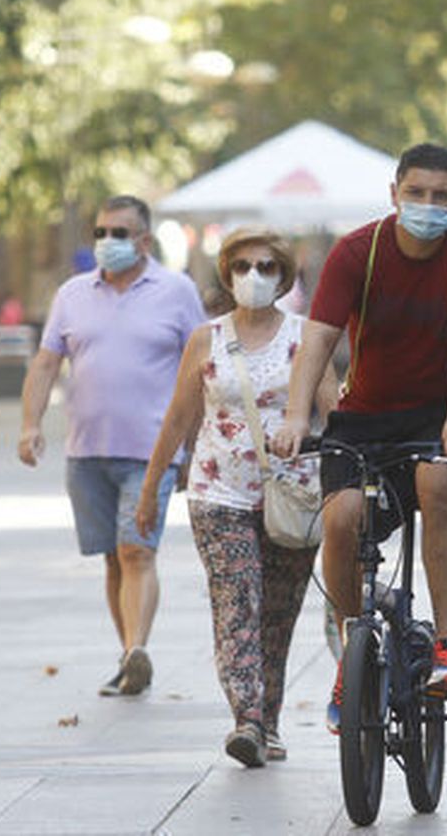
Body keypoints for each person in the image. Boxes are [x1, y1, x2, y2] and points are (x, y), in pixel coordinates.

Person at [269, 143, 447, 733]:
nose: (427, 205)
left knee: (438, 481)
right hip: (365, 413)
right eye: (416, 193)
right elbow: (318, 340)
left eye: (441, 196)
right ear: (394, 193)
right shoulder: (357, 252)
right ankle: (352, 653)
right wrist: (298, 416)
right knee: (343, 517)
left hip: (439, 411)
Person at [134, 228, 338, 767]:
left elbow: (334, 414)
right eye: (244, 266)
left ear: (284, 276)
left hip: (292, 494)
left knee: (278, 613)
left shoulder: (306, 336)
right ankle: (246, 718)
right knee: (236, 604)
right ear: (227, 275)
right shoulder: (206, 338)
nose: (255, 276)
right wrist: (152, 486)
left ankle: (267, 722)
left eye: (267, 266)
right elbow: (180, 415)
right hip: (215, 491)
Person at [17, 195, 206, 698]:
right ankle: (129, 656)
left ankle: (136, 650)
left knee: (136, 551)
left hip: (151, 453)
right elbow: (44, 363)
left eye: (120, 234)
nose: (108, 243)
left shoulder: (177, 291)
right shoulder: (72, 294)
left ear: (145, 240)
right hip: (87, 452)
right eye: (101, 233)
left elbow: (200, 373)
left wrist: (193, 447)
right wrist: (29, 425)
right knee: (111, 558)